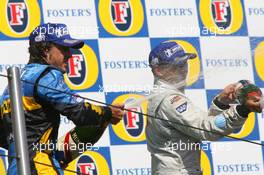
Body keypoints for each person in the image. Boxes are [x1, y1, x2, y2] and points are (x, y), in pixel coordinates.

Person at [0, 23, 124, 174]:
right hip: (40, 168)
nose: (70, 55)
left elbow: (3, 137)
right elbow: (80, 112)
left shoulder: (12, 86)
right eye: (64, 49)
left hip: (15, 168)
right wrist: (108, 112)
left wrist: (48, 149)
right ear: (45, 50)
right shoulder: (47, 76)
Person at [145, 41, 263, 175]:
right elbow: (207, 130)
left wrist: (221, 102)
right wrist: (243, 110)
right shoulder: (169, 100)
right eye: (177, 65)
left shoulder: (162, 95)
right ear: (159, 70)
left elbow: (203, 124)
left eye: (184, 63)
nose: (184, 69)